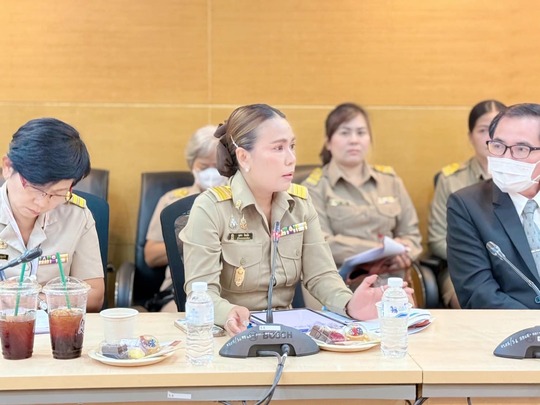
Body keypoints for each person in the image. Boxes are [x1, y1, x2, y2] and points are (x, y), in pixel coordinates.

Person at [180, 104, 414, 334]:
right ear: (244, 157)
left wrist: (350, 304)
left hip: (287, 334)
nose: (291, 158)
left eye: (291, 146)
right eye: (278, 148)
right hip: (230, 334)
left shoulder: (299, 203)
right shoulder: (211, 208)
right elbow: (201, 292)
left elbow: (321, 275)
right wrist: (228, 313)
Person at [302, 102, 422, 290]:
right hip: (340, 286)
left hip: (392, 284)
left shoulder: (390, 181)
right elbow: (321, 243)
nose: (354, 140)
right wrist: (381, 249)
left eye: (361, 132)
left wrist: (405, 252)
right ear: (328, 142)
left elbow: (412, 235)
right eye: (345, 133)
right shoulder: (314, 188)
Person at [0, 117, 104, 312]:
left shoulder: (76, 216)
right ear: (7, 167)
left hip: (55, 326)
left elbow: (94, 296)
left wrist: (33, 301)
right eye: (34, 187)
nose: (42, 202)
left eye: (57, 193)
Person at [447, 103, 540, 309]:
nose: (506, 158)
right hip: (511, 325)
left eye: (521, 149)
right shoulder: (467, 205)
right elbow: (478, 293)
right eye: (498, 146)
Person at [428, 99, 506, 309]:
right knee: (472, 301)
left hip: (515, 267)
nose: (490, 137)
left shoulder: (523, 178)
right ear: (470, 136)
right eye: (483, 130)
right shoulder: (451, 179)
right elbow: (437, 239)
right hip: (462, 267)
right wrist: (477, 257)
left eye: (497, 129)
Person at [144, 125, 224, 312]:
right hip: (179, 291)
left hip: (231, 290)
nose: (211, 173)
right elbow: (151, 256)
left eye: (217, 166)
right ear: (192, 165)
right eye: (204, 166)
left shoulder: (239, 201)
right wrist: (189, 240)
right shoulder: (172, 202)